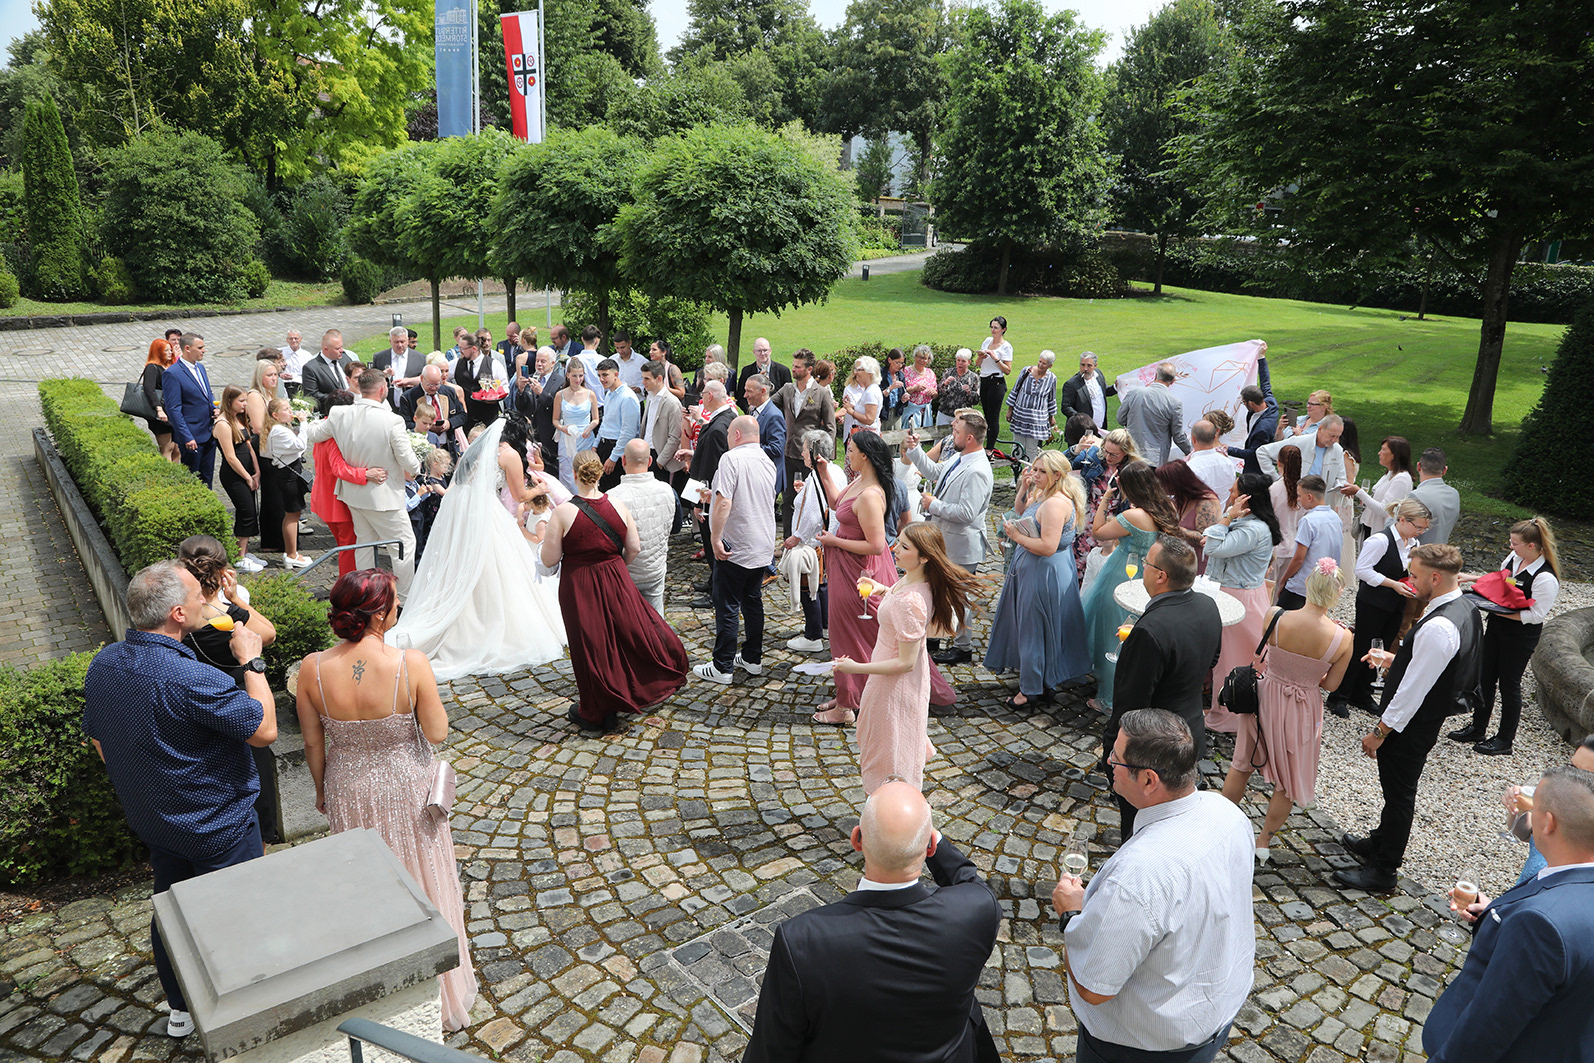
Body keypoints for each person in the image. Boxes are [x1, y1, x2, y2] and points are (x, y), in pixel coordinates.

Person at [83, 560, 276, 1039]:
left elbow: (101, 741)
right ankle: (247, 1011)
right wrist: (251, 661)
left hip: (154, 820)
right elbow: (264, 729)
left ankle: (180, 1008)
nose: (205, 601)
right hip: (217, 824)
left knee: (170, 909)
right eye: (197, 596)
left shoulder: (104, 663)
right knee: (238, 915)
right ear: (177, 613)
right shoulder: (190, 677)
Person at [296, 570, 477, 1030]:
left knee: (366, 886)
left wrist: (321, 790)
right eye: (394, 600)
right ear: (378, 614)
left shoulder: (312, 668)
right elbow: (437, 732)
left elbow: (313, 743)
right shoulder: (409, 663)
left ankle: (386, 991)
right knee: (425, 878)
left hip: (348, 787)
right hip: (405, 787)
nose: (399, 606)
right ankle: (437, 993)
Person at [742, 781, 1000, 1063]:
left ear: (857, 839)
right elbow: (969, 881)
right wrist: (931, 840)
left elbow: (771, 1051)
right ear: (929, 847)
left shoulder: (801, 942)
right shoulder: (977, 911)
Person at [1051, 709, 1253, 1063]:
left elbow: (1094, 987)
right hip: (1214, 1017)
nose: (1108, 762)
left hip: (1139, 1049)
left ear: (1148, 780)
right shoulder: (1228, 814)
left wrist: (1071, 914)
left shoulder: (1138, 875)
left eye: (1115, 757)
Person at [1423, 764, 1594, 1063]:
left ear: (1548, 823)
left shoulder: (1539, 924)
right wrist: (1496, 913)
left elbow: (1485, 1031)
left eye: (1534, 808)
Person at [1336, 543, 1482, 892]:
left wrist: (1379, 732)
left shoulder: (1439, 627)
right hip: (1424, 718)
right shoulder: (1465, 607)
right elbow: (1435, 668)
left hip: (1411, 726)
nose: (1409, 581)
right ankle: (1379, 841)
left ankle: (1384, 870)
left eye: (1414, 575)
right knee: (1396, 793)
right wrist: (1395, 660)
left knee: (1399, 795)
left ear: (1436, 577)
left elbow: (1412, 692)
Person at [385, 419, 564, 679]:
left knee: (465, 562)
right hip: (485, 510)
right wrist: (540, 488)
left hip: (464, 509)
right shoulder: (510, 454)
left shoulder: (481, 449)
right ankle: (486, 623)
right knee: (494, 564)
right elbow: (520, 496)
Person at [815, 431, 956, 724]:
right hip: (847, 569)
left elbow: (877, 544)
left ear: (864, 456)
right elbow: (837, 503)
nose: (847, 455)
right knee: (854, 634)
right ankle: (850, 693)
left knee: (852, 636)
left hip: (859, 574)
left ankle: (847, 706)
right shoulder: (858, 481)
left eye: (851, 450)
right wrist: (823, 471)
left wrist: (833, 541)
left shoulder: (869, 494)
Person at [542, 450, 688, 731]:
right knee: (622, 635)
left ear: (574, 474)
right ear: (599, 473)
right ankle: (623, 691)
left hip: (579, 583)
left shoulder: (562, 512)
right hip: (615, 576)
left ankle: (597, 709)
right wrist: (615, 566)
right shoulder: (618, 505)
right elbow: (634, 547)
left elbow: (549, 559)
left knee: (589, 643)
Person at [1221, 560, 1354, 862]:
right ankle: (1263, 842)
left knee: (1242, 763)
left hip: (1265, 697)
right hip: (1303, 708)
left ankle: (1221, 825)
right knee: (1288, 781)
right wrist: (1309, 672)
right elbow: (1331, 685)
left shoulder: (1275, 615)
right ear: (1338, 593)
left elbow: (1265, 653)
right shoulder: (1343, 638)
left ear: (1308, 584)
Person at [840, 523, 977, 792]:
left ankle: (892, 804)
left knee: (891, 749)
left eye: (904, 547)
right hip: (895, 681)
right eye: (898, 542)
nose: (895, 549)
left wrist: (856, 667)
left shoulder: (911, 601)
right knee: (889, 742)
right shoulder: (913, 580)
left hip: (895, 686)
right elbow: (902, 599)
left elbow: (906, 662)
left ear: (924, 557)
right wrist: (882, 589)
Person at [1107, 536, 1223, 837]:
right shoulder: (1208, 606)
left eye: (1146, 562)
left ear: (1161, 576)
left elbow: (1129, 707)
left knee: (1140, 831)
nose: (1142, 567)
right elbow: (1212, 659)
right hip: (1192, 732)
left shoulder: (1149, 631)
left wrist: (1112, 758)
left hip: (1152, 752)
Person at [176, 536, 280, 842]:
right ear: (223, 571)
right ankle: (260, 840)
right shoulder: (228, 617)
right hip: (242, 700)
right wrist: (235, 598)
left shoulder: (180, 618)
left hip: (201, 705)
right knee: (254, 777)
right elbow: (269, 633)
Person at [984, 452, 1090, 708]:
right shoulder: (1046, 493)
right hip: (1039, 569)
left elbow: (1047, 547)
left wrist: (1015, 537)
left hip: (1043, 572)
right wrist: (1025, 486)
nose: (1036, 474)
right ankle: (1042, 682)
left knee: (1033, 632)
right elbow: (1022, 510)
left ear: (1057, 475)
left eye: (1042, 471)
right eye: (1035, 469)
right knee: (1038, 629)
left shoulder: (1055, 504)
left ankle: (1030, 691)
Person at [1451, 516, 1562, 755]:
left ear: (1531, 546)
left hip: (1521, 636)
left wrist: (1496, 610)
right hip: (1497, 626)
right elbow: (1503, 581)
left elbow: (1536, 615)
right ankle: (1478, 728)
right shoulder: (1514, 558)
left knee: (1509, 685)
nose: (1510, 546)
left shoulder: (1545, 578)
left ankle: (1504, 740)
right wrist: (1473, 580)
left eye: (1514, 543)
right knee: (1485, 677)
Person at [305, 369, 422, 596]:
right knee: (404, 545)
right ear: (382, 389)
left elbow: (315, 434)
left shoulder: (338, 414)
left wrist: (304, 421)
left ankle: (366, 595)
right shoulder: (393, 420)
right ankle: (404, 598)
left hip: (354, 495)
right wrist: (416, 469)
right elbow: (408, 460)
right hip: (384, 497)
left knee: (364, 545)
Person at [1081, 460, 1180, 714]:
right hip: (1148, 574)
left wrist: (1105, 498)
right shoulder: (1166, 508)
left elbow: (1098, 532)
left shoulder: (1133, 516)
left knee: (1112, 636)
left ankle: (1109, 699)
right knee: (1134, 634)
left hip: (1121, 573)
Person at [903, 411, 994, 665]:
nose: (952, 435)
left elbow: (966, 513)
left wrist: (933, 505)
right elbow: (934, 471)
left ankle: (963, 648)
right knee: (937, 591)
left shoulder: (977, 470)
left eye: (956, 432)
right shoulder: (959, 457)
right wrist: (915, 450)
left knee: (958, 598)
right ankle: (935, 636)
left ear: (970, 438)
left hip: (961, 545)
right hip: (944, 540)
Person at [693, 416, 778, 684]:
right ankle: (752, 657)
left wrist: (715, 537)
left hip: (737, 545)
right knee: (752, 601)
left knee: (727, 605)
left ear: (737, 434)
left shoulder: (731, 458)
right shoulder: (766, 459)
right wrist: (715, 495)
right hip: (761, 543)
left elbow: (725, 503)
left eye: (730, 433)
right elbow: (751, 496)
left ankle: (722, 666)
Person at [1330, 498, 1430, 717]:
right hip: (1372, 602)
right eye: (1418, 527)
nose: (1421, 532)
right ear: (1402, 520)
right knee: (1362, 646)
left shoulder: (1413, 544)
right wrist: (1392, 584)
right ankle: (1340, 695)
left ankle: (1362, 692)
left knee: (1381, 647)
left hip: (1397, 602)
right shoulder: (1380, 540)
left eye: (1424, 528)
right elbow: (1362, 570)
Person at [1203, 473, 1284, 737]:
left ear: (1246, 498)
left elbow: (1213, 548)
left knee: (1231, 661)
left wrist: (1226, 518)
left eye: (1234, 490)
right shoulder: (1251, 523)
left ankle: (1227, 718)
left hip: (1238, 600)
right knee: (1236, 657)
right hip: (1244, 595)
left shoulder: (1252, 529)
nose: (1229, 492)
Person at [783, 429, 846, 653]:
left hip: (813, 542)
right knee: (822, 584)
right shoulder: (835, 470)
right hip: (828, 539)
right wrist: (804, 492)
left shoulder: (817, 476)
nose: (801, 453)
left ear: (813, 452)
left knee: (808, 586)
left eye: (804, 449)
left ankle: (813, 636)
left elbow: (812, 515)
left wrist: (796, 537)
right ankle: (826, 626)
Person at [310, 390, 383, 579]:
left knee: (346, 546)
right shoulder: (333, 434)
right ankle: (349, 588)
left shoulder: (323, 428)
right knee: (348, 548)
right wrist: (366, 474)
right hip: (337, 500)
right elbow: (339, 469)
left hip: (325, 496)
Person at [1502, 736, 1594, 885]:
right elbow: (1525, 833)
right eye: (1571, 768)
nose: (1569, 778)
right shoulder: (1559, 795)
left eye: (1584, 776)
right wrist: (1518, 810)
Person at [607, 439, 675, 615]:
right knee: (656, 619)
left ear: (623, 460)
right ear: (650, 461)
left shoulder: (612, 497)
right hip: (655, 568)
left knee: (628, 621)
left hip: (626, 572)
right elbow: (673, 527)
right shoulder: (667, 490)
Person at [771, 349, 835, 536]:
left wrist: (825, 457)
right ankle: (788, 540)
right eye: (793, 366)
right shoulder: (787, 389)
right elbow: (768, 406)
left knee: (811, 499)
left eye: (797, 367)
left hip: (810, 456)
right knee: (788, 500)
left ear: (809, 369)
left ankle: (811, 538)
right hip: (788, 453)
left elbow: (830, 427)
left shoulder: (821, 393)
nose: (793, 369)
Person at [1072, 428, 1140, 583]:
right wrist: (1076, 450)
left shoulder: (1132, 471)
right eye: (1106, 451)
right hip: (1086, 522)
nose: (1108, 457)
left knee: (1101, 575)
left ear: (1125, 452)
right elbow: (1064, 463)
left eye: (1114, 455)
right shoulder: (1094, 456)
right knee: (1077, 570)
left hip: (1110, 528)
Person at [214, 387, 264, 572]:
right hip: (234, 475)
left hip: (248, 472)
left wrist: (257, 471)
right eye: (241, 401)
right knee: (246, 512)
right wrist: (247, 477)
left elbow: (249, 446)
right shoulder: (223, 424)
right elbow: (230, 457)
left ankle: (245, 551)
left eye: (245, 400)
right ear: (229, 401)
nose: (245, 404)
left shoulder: (239, 419)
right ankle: (239, 557)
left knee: (250, 512)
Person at [162, 332, 219, 487]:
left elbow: (207, 392)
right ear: (187, 348)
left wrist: (215, 407)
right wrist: (186, 437)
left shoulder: (200, 368)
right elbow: (174, 409)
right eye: (200, 348)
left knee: (207, 477)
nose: (204, 350)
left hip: (208, 433)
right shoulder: (172, 374)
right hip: (192, 437)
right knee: (193, 479)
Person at [1276, 475, 1340, 610]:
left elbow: (1299, 558)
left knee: (1281, 618)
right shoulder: (1335, 517)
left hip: (1301, 586)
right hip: (1324, 584)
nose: (1298, 499)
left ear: (1310, 497)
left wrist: (1283, 580)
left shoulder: (1308, 521)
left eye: (1299, 496)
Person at [1115, 361, 1190, 465]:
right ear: (1173, 381)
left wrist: (1135, 424)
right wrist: (1192, 452)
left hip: (1131, 453)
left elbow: (1120, 418)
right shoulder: (1174, 403)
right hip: (1155, 459)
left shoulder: (1134, 393)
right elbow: (1178, 436)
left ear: (1155, 376)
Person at [1156, 460, 1222, 571]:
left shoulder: (1206, 501)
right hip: (1182, 561)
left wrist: (1174, 529)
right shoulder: (1180, 499)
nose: (1160, 486)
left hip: (1199, 564)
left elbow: (1205, 539)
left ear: (1176, 482)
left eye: (1163, 483)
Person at [1226, 348, 1277, 475]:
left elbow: (1253, 453)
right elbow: (1265, 383)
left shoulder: (1262, 429)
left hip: (1257, 469)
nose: (1243, 405)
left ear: (1251, 403)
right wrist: (1261, 357)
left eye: (1244, 402)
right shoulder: (1270, 403)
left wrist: (1228, 449)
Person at [594, 358, 642, 492]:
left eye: (605, 375)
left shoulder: (627, 397)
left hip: (617, 449)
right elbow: (605, 422)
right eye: (599, 375)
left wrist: (613, 458)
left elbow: (628, 432)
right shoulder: (609, 394)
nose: (601, 379)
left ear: (616, 374)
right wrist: (595, 445)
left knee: (614, 491)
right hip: (604, 446)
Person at [553, 358, 599, 492]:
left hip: (585, 438)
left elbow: (596, 419)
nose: (577, 379)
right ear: (568, 375)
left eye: (580, 375)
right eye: (574, 376)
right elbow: (555, 420)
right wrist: (563, 428)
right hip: (567, 439)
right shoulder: (560, 395)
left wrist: (589, 428)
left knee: (586, 470)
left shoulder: (590, 394)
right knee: (567, 473)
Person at [450, 333, 508, 434]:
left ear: (474, 349)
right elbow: (441, 377)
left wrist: (495, 398)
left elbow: (505, 388)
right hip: (465, 419)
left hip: (488, 418)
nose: (459, 351)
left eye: (462, 348)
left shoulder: (494, 364)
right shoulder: (455, 364)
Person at [1005, 349, 1059, 458]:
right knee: (1018, 446)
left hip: (1037, 419)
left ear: (1050, 365)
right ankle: (1016, 466)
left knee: (1032, 448)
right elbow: (1015, 389)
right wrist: (1010, 409)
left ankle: (1031, 468)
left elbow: (1051, 399)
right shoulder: (1026, 371)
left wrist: (1051, 416)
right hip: (1020, 415)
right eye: (1040, 361)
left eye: (1044, 363)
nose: (1040, 365)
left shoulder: (1052, 378)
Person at [744, 372, 788, 501]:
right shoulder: (754, 410)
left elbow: (776, 448)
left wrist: (748, 447)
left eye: (749, 391)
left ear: (763, 391)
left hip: (768, 479)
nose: (745, 395)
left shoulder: (773, 415)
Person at [639, 359, 684, 484]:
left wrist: (660, 462)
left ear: (659, 378)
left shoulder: (672, 403)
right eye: (643, 378)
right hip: (647, 454)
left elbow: (675, 437)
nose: (643, 382)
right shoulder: (650, 398)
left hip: (661, 459)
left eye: (647, 379)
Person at [1267, 445, 1304, 589]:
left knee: (1269, 589)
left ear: (1279, 462)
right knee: (1282, 589)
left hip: (1275, 547)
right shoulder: (1304, 489)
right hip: (1294, 546)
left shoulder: (1274, 489)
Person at [1408, 446, 1461, 545]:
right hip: (1442, 550)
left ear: (1418, 466)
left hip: (1419, 552)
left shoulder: (1416, 496)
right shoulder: (1454, 494)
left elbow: (1402, 531)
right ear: (1445, 470)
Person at [975, 316, 1013, 450]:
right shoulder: (987, 341)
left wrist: (996, 358)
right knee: (986, 415)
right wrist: (981, 357)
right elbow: (978, 364)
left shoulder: (1006, 347)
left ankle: (990, 448)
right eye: (991, 327)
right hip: (984, 380)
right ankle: (985, 445)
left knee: (993, 417)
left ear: (1003, 329)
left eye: (996, 328)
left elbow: (1007, 370)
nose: (993, 330)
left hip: (996, 382)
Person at [140, 337, 180, 461]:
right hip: (161, 412)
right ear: (158, 352)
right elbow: (149, 389)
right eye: (166, 350)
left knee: (177, 448)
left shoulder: (170, 366)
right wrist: (159, 409)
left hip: (172, 410)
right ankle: (167, 471)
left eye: (170, 350)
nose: (170, 353)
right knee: (167, 447)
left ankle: (177, 471)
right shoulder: (152, 367)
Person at [372, 325, 427, 407]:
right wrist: (383, 374)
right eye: (396, 342)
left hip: (412, 404)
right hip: (387, 405)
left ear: (407, 340)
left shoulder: (421, 358)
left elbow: (426, 380)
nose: (400, 345)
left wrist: (410, 381)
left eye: (402, 341)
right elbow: (371, 381)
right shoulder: (379, 357)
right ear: (390, 341)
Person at [1058, 350, 1116, 428]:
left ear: (1095, 366)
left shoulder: (1098, 375)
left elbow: (1104, 391)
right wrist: (1081, 419)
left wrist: (1116, 387)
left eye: (1089, 365)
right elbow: (1066, 407)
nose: (1085, 368)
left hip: (1100, 428)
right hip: (1081, 430)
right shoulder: (1071, 384)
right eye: (1083, 365)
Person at [735, 336, 793, 411]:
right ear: (754, 352)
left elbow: (789, 397)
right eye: (759, 351)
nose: (762, 353)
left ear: (770, 351)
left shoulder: (783, 371)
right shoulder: (747, 371)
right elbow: (740, 397)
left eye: (765, 350)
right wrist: (749, 409)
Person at [1184, 419, 1237, 501]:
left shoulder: (1190, 467)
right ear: (1215, 437)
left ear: (1193, 439)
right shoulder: (1228, 463)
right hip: (1224, 508)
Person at [300, 328, 353, 405]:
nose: (341, 350)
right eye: (337, 348)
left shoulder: (345, 358)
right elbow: (311, 395)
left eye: (341, 347)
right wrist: (339, 399)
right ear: (326, 349)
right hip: (330, 409)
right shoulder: (311, 368)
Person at [839, 356, 883, 441]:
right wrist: (851, 406)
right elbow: (865, 409)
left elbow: (869, 419)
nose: (855, 372)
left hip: (866, 438)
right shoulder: (869, 389)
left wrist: (851, 411)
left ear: (869, 373)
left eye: (859, 370)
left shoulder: (871, 392)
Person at [936, 348, 981, 427]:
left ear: (969, 362)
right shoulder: (948, 372)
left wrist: (969, 392)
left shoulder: (974, 377)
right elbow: (939, 392)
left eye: (963, 361)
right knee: (941, 434)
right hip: (944, 413)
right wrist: (945, 383)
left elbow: (976, 400)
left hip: (963, 416)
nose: (960, 363)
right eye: (958, 360)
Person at [901, 344, 939, 429]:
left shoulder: (930, 373)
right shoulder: (906, 371)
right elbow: (900, 390)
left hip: (926, 413)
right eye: (919, 357)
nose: (921, 360)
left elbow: (935, 395)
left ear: (928, 360)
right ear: (914, 357)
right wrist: (914, 388)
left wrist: (934, 393)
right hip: (910, 411)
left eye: (924, 358)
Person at [878, 347, 907, 430]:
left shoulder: (900, 375)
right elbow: (877, 396)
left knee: (896, 436)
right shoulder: (880, 374)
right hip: (882, 413)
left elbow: (903, 395)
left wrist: (904, 399)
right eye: (897, 362)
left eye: (902, 363)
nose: (900, 366)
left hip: (896, 414)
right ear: (889, 360)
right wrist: (890, 388)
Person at [279, 329, 311, 398]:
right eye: (291, 339)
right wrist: (280, 375)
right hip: (283, 384)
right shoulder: (280, 353)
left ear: (301, 339)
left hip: (300, 385)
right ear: (287, 340)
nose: (293, 341)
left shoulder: (307, 355)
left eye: (296, 338)